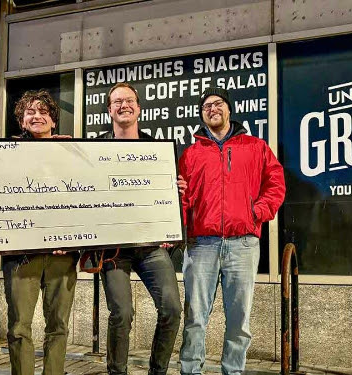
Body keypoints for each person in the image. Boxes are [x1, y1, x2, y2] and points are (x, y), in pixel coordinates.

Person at [178, 87, 286, 375]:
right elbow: (182, 198)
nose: (212, 109)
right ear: (202, 114)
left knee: (239, 321)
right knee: (195, 318)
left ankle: (233, 371)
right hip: (201, 244)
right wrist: (181, 205)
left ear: (229, 110)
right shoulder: (190, 154)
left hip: (243, 244)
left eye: (218, 103)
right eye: (206, 106)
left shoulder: (256, 147)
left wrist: (256, 214)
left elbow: (275, 185)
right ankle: (190, 370)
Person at [97, 82, 182, 375]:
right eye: (117, 101)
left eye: (129, 100)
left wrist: (175, 193)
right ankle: (116, 372)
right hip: (114, 250)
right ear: (109, 110)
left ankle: (158, 371)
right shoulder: (93, 148)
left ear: (139, 108)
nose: (124, 105)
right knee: (121, 313)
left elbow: (167, 194)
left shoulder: (156, 149)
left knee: (171, 309)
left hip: (150, 247)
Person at [2, 89, 79, 375]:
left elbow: (82, 199)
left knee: (58, 325)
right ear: (21, 121)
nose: (37, 116)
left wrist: (70, 238)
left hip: (62, 255)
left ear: (54, 122)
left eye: (43, 112)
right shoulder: (3, 155)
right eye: (29, 112)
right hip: (22, 255)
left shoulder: (73, 154)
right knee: (19, 326)